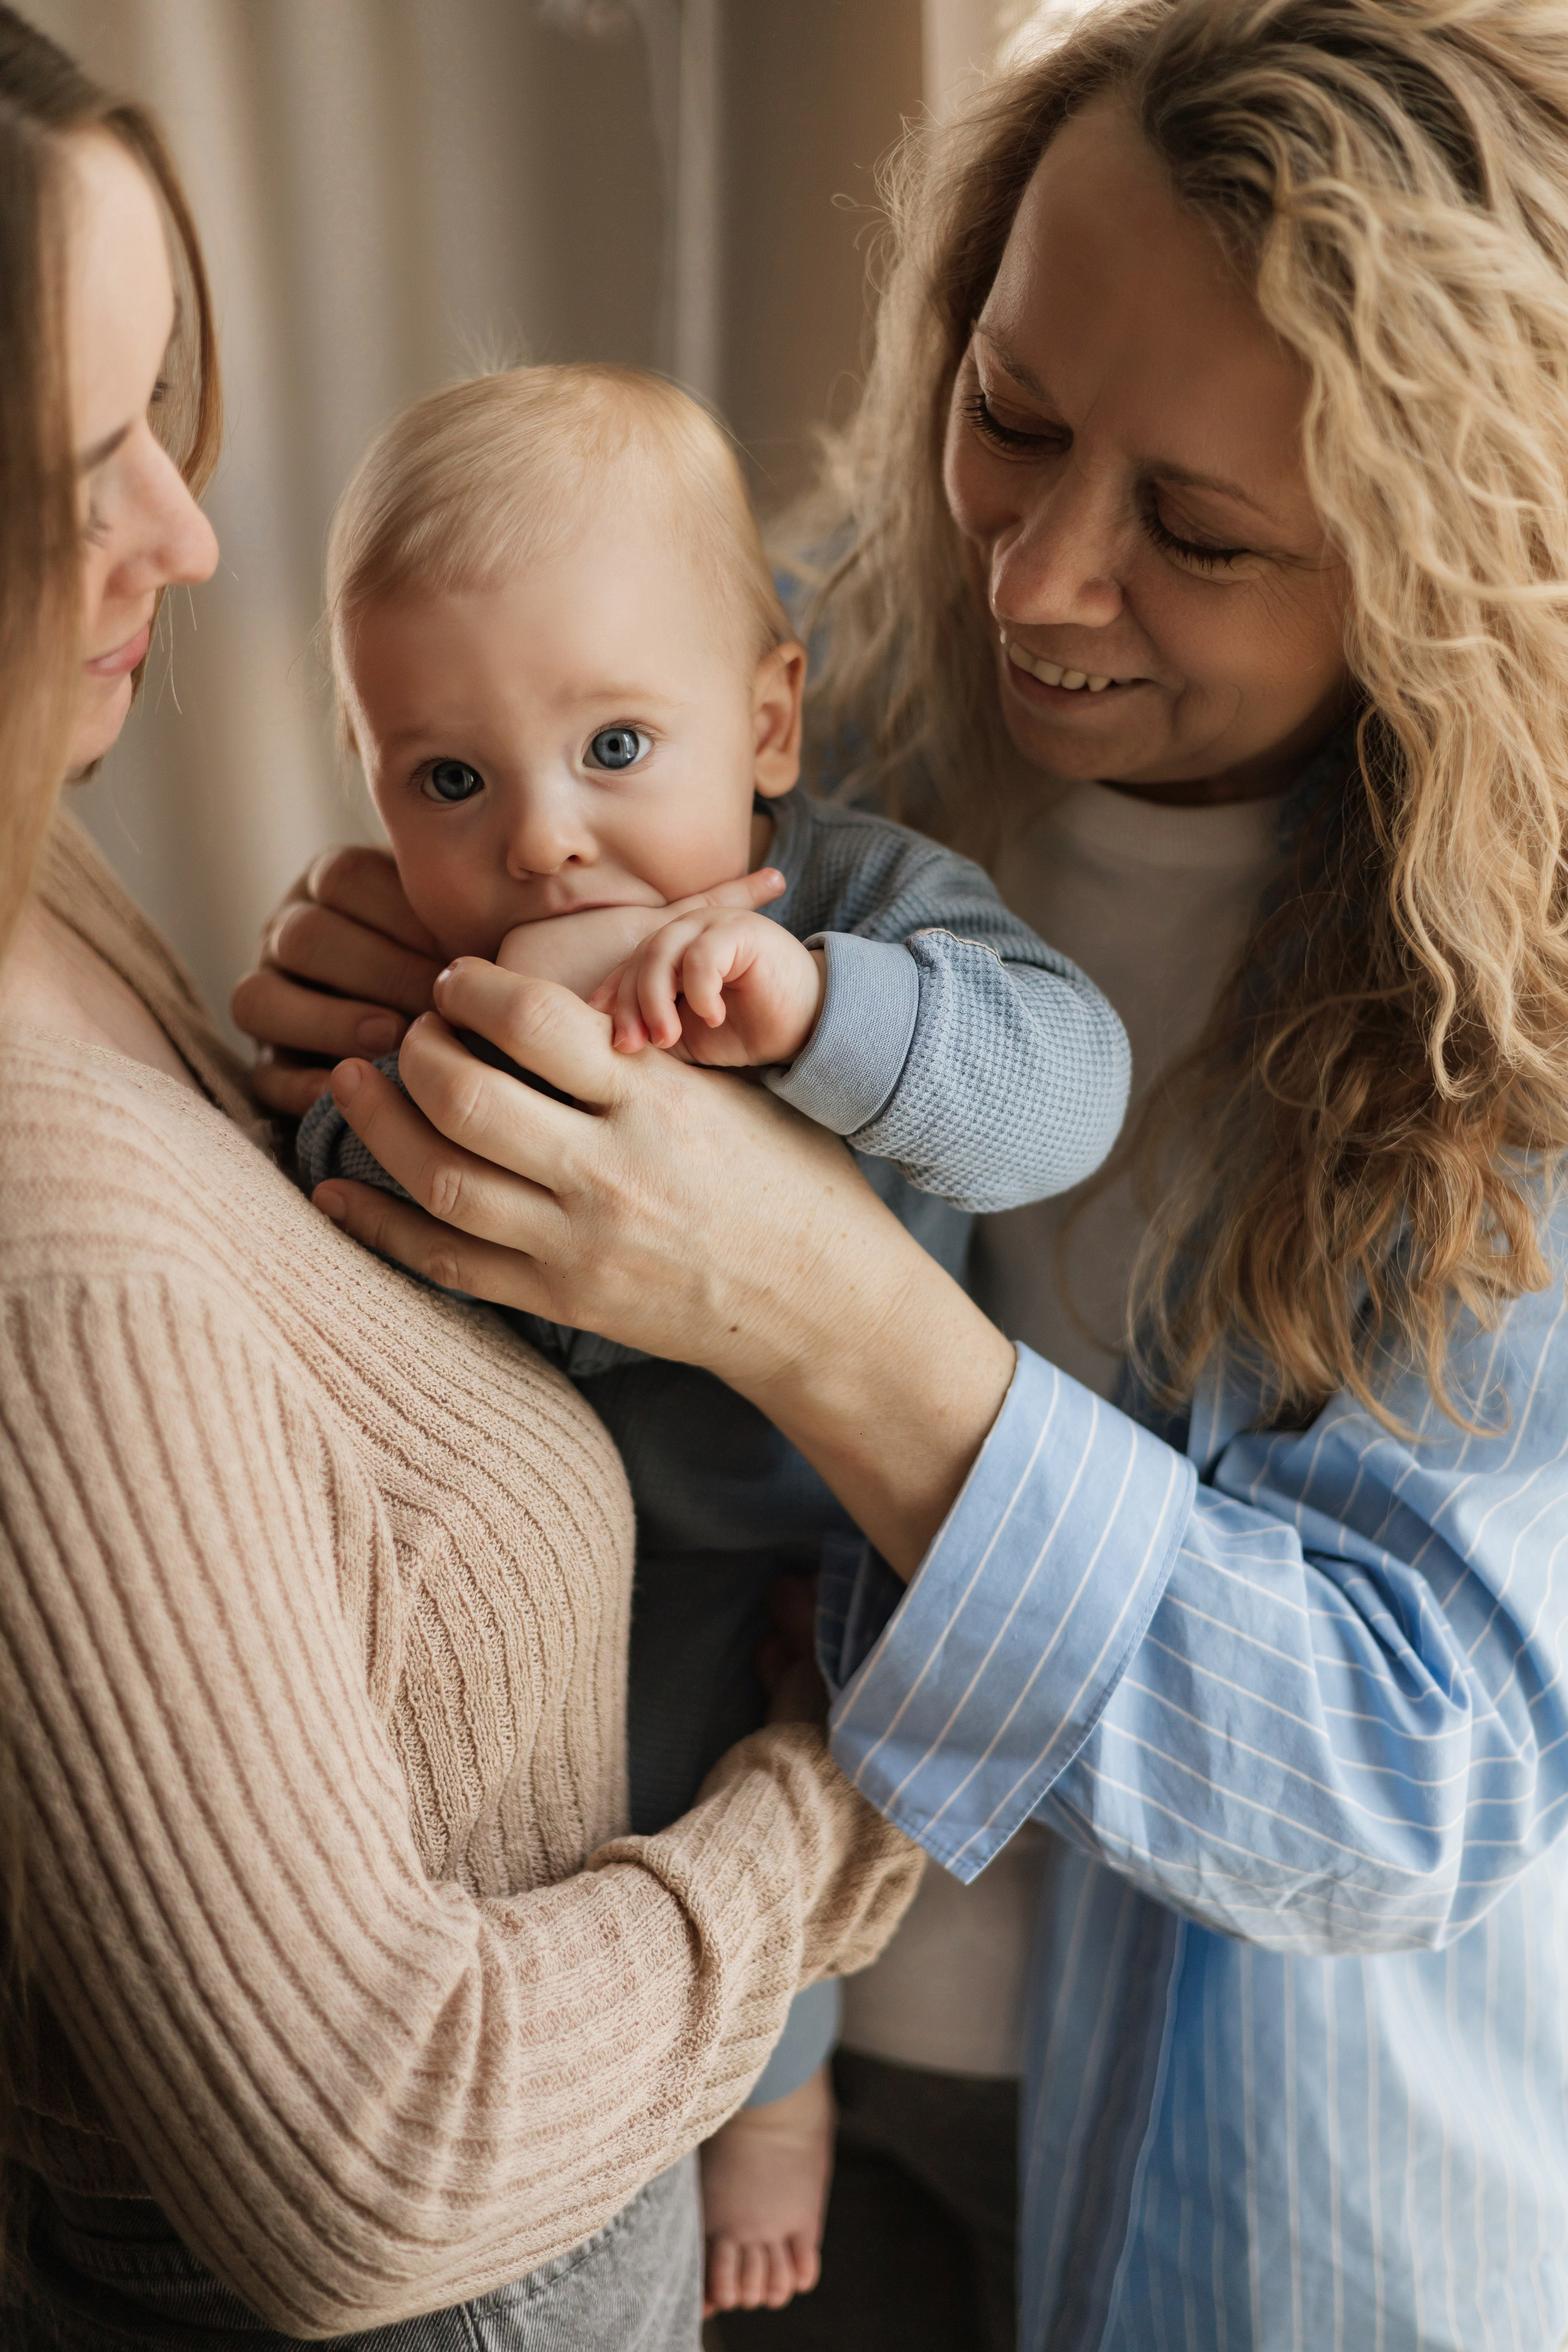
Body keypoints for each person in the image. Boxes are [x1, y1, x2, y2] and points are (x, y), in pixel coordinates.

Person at [241, 1, 1568, 2343]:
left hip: (1243, 2208)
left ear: (1444, 561)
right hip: (734, 2072)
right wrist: (400, 962)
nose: (1039, 581)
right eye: (1013, 417)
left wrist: (823, 1317)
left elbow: (1410, 1769)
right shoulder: (819, 672)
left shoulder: (1522, 1008)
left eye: (1200, 532)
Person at [0, 13, 924, 2350]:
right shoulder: (51, 1275)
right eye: (78, 466)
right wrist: (851, 1803)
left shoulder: (43, 876)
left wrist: (294, 1073)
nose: (189, 532)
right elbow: (375, 2166)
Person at [295, 358, 1129, 2320]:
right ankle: (629, 2121)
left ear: (765, 722)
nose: (544, 848)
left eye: (613, 743)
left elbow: (1058, 1092)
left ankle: (780, 2104)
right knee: (591, 1824)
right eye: (449, 779)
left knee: (783, 1812)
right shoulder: (440, 971)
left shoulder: (845, 900)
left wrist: (815, 1009)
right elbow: (342, 1205)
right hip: (610, 1537)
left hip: (832, 1514)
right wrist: (364, 1104)